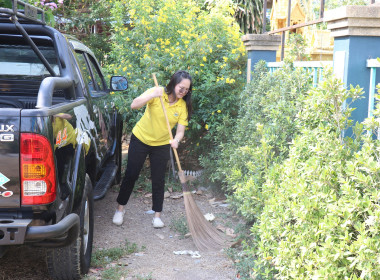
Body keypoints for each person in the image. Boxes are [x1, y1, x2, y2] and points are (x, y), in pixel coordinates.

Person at [112, 70, 193, 228]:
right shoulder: (157, 92)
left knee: (158, 179)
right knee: (131, 174)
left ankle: (157, 215)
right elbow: (134, 105)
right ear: (174, 84)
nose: (183, 92)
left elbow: (181, 131)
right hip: (141, 138)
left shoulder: (183, 106)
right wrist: (152, 95)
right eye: (181, 88)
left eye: (187, 90)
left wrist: (176, 140)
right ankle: (120, 209)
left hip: (161, 144)